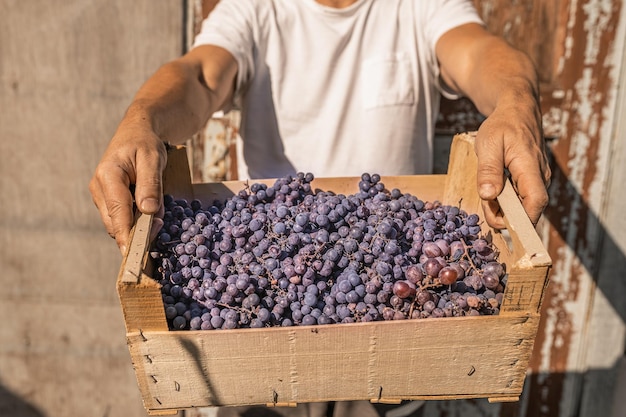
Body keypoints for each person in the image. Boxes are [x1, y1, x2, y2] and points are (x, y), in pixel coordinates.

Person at [89, 0, 550, 416]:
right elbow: (199, 76)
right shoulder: (255, 10)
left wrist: (515, 101)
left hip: (394, 338)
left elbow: (478, 54)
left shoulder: (419, 8)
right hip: (257, 357)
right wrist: (142, 119)